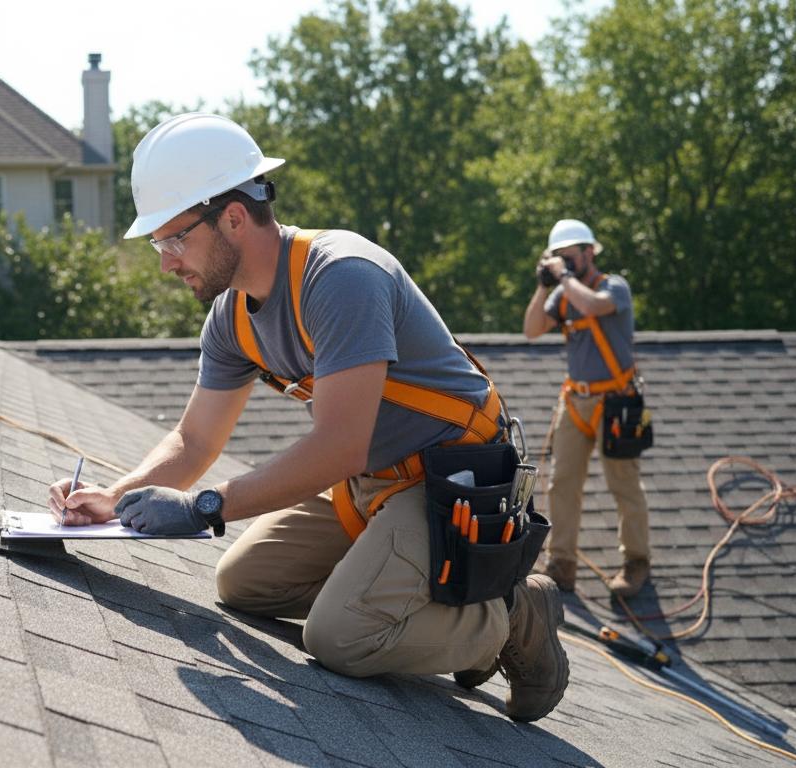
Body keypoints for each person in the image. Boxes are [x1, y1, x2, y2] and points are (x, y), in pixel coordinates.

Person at [48, 112, 568, 722]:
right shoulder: (232, 318)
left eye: (173, 240)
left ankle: (511, 616)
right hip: (372, 485)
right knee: (243, 585)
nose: (166, 262)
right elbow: (193, 440)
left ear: (234, 218)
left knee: (338, 639)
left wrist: (203, 508)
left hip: (451, 482)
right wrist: (115, 496)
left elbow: (341, 445)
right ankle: (416, 601)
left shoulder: (341, 276)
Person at [523, 219, 651, 597]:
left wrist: (562, 279)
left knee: (623, 484)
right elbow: (531, 329)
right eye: (558, 257)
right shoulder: (563, 294)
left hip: (616, 401)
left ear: (589, 252)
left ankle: (636, 562)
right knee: (562, 483)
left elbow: (593, 306)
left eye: (569, 256)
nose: (564, 262)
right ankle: (561, 565)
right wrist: (543, 284)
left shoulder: (614, 287)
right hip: (575, 401)